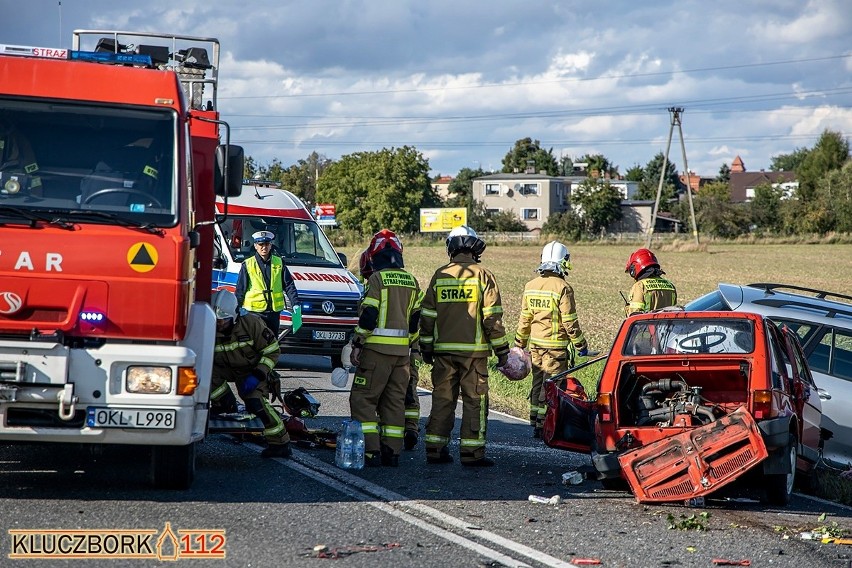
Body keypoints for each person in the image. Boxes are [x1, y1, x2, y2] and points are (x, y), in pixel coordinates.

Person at [420, 226, 510, 467]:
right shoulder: (483, 276)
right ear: (474, 248)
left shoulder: (440, 275)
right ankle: (472, 454)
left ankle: (435, 449)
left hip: (443, 353)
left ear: (451, 248)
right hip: (473, 355)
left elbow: (427, 316)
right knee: (475, 402)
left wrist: (426, 348)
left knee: (442, 400)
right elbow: (492, 318)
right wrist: (502, 351)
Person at [349, 230, 422, 467]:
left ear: (375, 255)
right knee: (394, 403)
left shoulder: (377, 279)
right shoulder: (412, 281)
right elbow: (415, 322)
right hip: (402, 356)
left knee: (363, 400)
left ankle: (371, 451)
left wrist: (358, 342)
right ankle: (392, 452)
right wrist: (408, 345)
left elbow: (369, 316)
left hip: (376, 353)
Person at [515, 241, 590, 438]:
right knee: (552, 386)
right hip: (555, 348)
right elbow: (570, 322)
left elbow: (525, 319)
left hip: (535, 346)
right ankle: (544, 425)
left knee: (537, 381)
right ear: (563, 261)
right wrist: (580, 344)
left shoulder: (530, 286)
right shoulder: (563, 287)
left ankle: (534, 421)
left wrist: (519, 344)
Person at [209, 289, 292, 458]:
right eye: (216, 320)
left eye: (223, 320)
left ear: (234, 315)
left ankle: (280, 443)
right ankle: (224, 404)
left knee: (257, 405)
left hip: (251, 371)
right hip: (222, 369)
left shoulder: (251, 324)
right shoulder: (207, 327)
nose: (219, 324)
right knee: (202, 377)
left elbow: (272, 351)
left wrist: (259, 374)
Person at [235, 230, 298, 336]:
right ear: (255, 246)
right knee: (255, 342)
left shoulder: (279, 262)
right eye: (260, 244)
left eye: (267, 244)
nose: (264, 247)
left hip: (273, 313)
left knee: (272, 343)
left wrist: (295, 304)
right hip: (254, 312)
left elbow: (289, 285)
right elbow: (240, 289)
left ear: (271, 245)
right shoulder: (248, 264)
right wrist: (237, 309)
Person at [624, 248, 678, 316]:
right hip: (668, 326)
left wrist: (627, 309)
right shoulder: (670, 286)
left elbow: (635, 315)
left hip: (648, 326)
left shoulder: (640, 286)